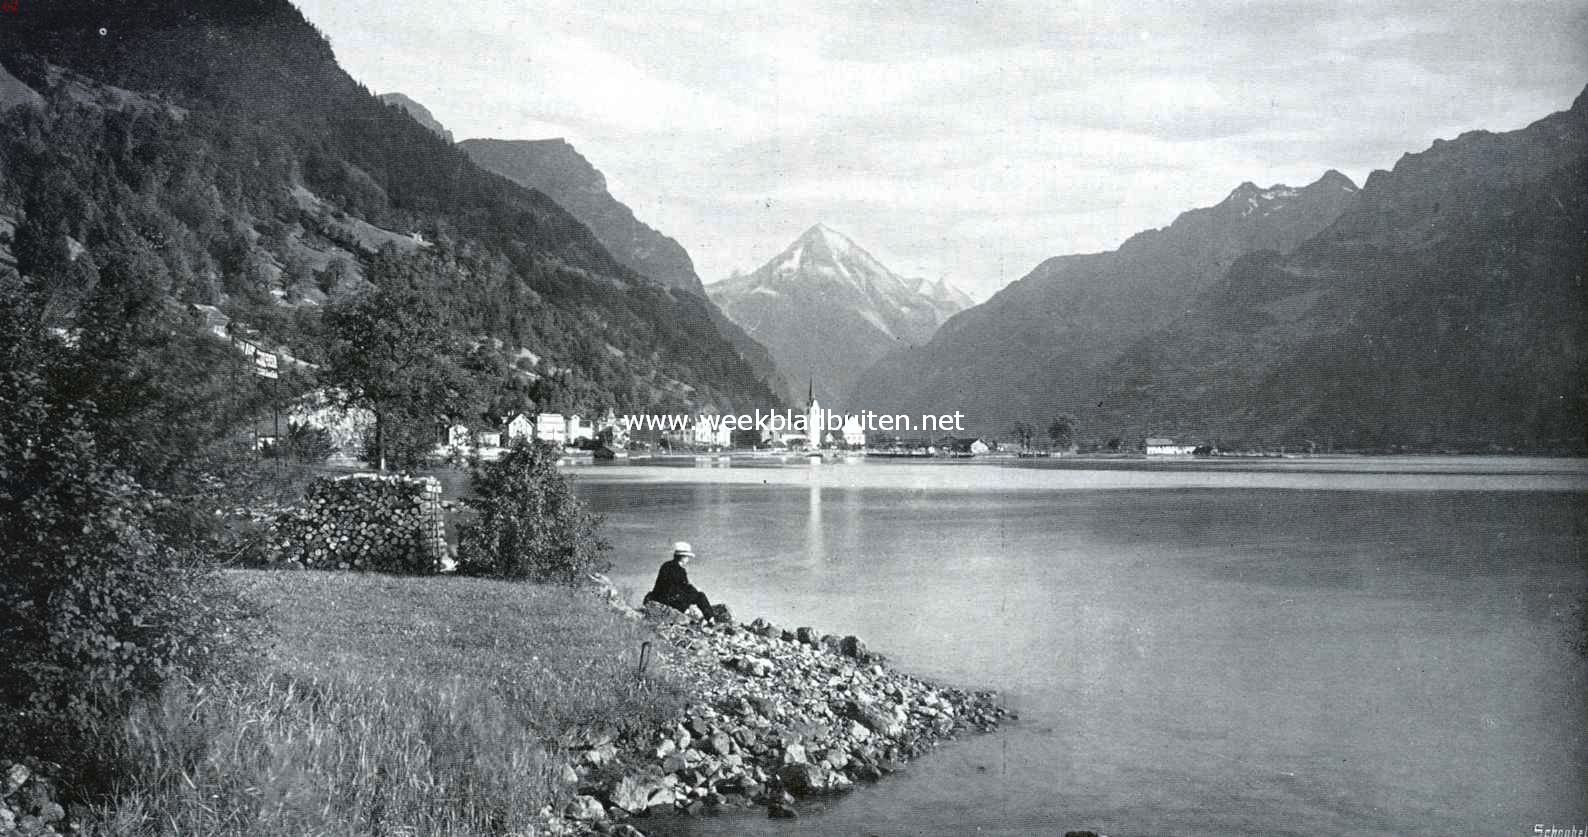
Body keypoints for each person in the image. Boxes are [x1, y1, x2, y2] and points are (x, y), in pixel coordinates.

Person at [644, 541, 720, 622]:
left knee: (698, 595)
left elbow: (682, 587)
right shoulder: (676, 569)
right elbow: (678, 588)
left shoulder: (668, 566)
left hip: (666, 596)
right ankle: (710, 619)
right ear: (683, 557)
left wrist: (693, 591)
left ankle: (709, 618)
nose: (688, 559)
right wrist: (685, 606)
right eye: (687, 557)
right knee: (699, 596)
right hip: (667, 598)